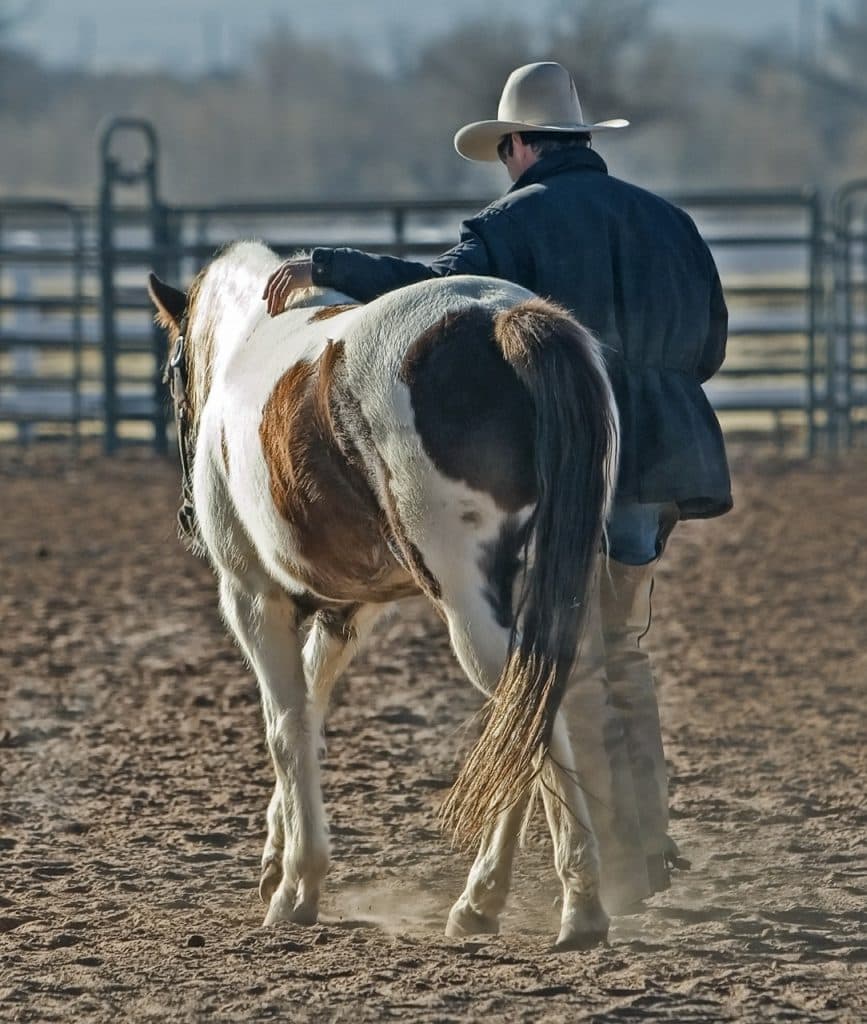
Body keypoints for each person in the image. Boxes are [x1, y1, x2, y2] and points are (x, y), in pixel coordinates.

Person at [263, 61, 732, 912]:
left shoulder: (511, 225)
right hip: (660, 462)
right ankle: (645, 836)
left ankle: (608, 859)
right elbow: (708, 348)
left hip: (560, 458)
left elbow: (430, 298)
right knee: (621, 649)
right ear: (580, 141)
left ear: (517, 145)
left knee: (569, 650)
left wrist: (330, 266)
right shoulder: (669, 224)